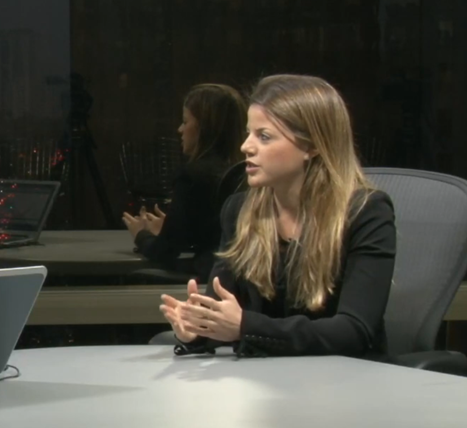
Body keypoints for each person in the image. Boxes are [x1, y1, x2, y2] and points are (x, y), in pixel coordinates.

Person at [160, 74, 396, 357]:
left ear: (312, 145)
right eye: (248, 133)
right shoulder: (239, 211)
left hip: (345, 377)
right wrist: (198, 329)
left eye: (264, 136)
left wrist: (246, 327)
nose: (246, 146)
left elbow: (354, 331)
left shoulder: (365, 212)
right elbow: (225, 316)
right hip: (266, 376)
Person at [123, 84, 246, 281]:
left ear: (203, 128)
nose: (180, 129)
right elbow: (214, 235)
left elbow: (165, 251)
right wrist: (171, 227)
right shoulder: (244, 172)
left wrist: (141, 235)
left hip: (209, 278)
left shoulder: (193, 176)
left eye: (185, 121)